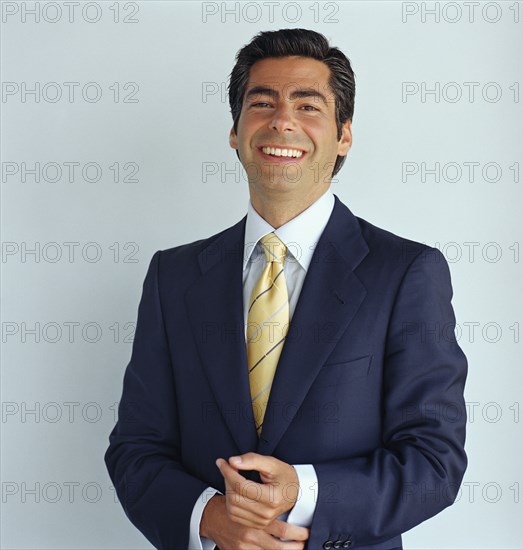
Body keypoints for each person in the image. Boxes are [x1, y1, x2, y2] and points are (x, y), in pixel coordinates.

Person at [104, 28, 468, 550]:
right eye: (262, 102)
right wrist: (209, 516)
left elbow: (434, 462)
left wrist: (303, 491)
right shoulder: (174, 277)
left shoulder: (407, 272)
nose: (282, 121)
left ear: (344, 134)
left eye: (308, 105)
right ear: (235, 131)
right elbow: (136, 448)